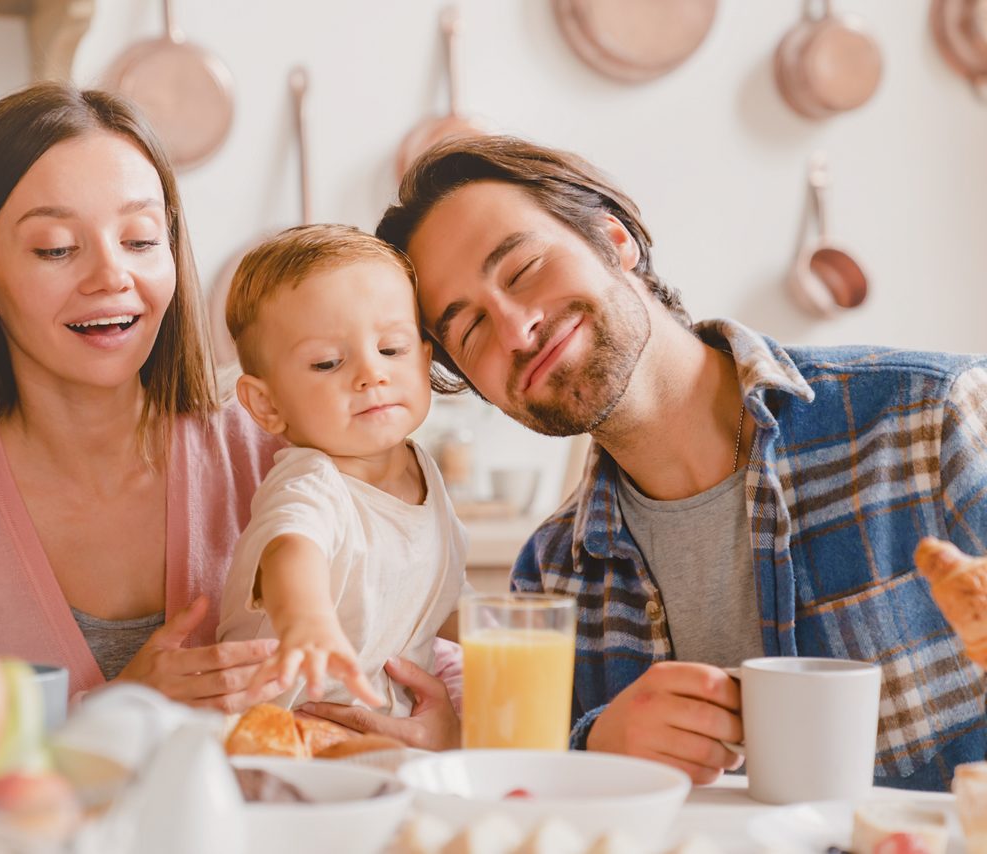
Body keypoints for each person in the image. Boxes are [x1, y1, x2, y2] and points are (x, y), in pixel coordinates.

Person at [0, 83, 463, 738]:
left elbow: (396, 627)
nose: (110, 276)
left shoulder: (276, 435)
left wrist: (452, 728)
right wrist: (109, 714)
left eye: (139, 239)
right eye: (55, 248)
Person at [374, 135, 987, 791]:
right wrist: (591, 753)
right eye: (470, 331)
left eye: (523, 270)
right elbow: (544, 809)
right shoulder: (553, 576)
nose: (518, 329)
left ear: (614, 239)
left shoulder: (934, 419)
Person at [215, 224, 466, 717]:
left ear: (424, 359)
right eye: (328, 363)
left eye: (392, 349)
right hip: (282, 730)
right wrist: (306, 620)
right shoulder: (311, 481)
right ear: (266, 404)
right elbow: (292, 548)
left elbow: (443, 596)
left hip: (379, 731)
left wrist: (502, 636)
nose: (371, 373)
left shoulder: (425, 473)